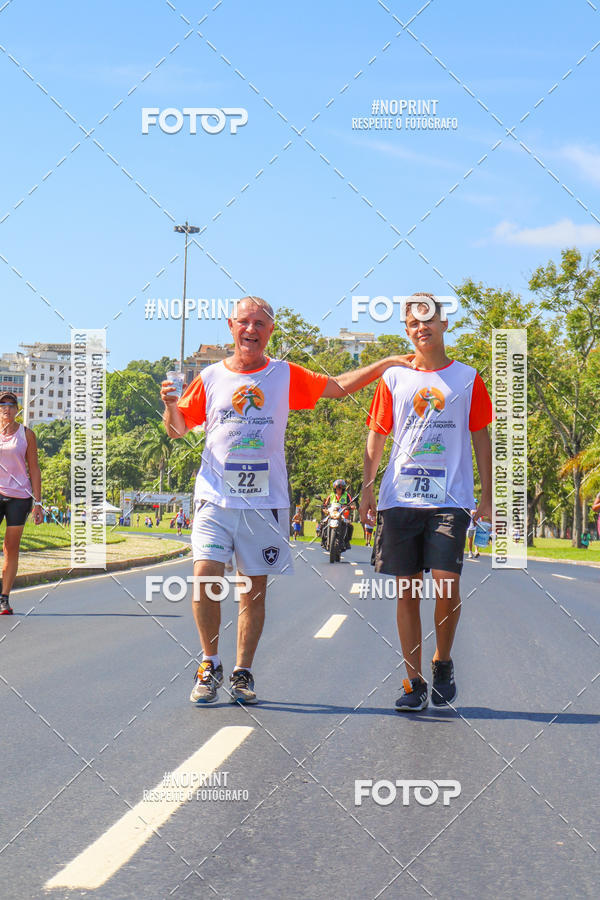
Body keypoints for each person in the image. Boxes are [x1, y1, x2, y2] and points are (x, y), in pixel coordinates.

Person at [161, 295, 414, 705]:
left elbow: (335, 387)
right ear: (231, 326)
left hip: (265, 501)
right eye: (245, 322)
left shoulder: (283, 374)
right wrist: (171, 405)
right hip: (215, 498)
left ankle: (242, 672)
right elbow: (177, 430)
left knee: (253, 590)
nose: (251, 330)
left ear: (270, 332)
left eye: (260, 324)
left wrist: (383, 364)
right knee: (205, 576)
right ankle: (209, 662)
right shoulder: (208, 378)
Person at [360, 293, 493, 711]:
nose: (422, 328)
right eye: (414, 323)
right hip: (399, 498)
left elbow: (480, 437)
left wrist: (487, 493)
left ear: (444, 324)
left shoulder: (468, 378)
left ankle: (443, 661)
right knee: (406, 592)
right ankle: (413, 681)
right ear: (406, 330)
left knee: (447, 585)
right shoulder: (394, 379)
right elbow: (378, 435)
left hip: (449, 499)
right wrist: (367, 486)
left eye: (429, 320)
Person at [0, 392, 43, 614]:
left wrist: (38, 502)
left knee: (11, 548)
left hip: (20, 497)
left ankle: (4, 598)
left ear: (17, 410)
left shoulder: (27, 435)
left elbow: (34, 468)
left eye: (11, 405)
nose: (6, 409)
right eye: (3, 405)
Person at [321, 479, 355, 549]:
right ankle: (323, 539)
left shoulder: (347, 495)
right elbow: (325, 504)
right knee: (322, 523)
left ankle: (346, 541)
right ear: (335, 489)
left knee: (349, 525)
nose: (339, 489)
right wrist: (324, 508)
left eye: (340, 488)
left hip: (342, 514)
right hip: (332, 513)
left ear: (343, 489)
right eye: (337, 488)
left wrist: (350, 507)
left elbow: (351, 504)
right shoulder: (331, 495)